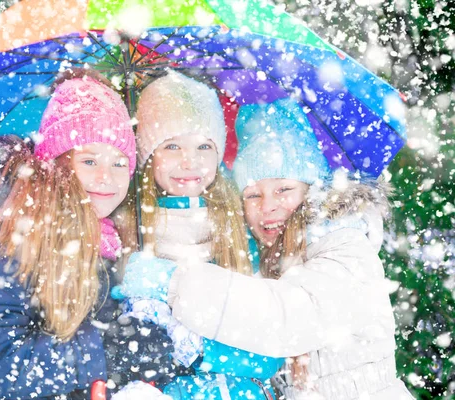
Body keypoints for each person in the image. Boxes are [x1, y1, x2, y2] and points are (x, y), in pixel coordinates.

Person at [116, 97, 414, 399]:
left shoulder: (344, 245)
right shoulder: (274, 257)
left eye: (283, 189)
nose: (268, 206)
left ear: (311, 190)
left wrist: (173, 281)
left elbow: (286, 319)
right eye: (253, 195)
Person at [0, 73, 174, 399]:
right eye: (88, 160)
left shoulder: (107, 240)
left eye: (119, 163)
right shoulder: (13, 234)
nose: (106, 177)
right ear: (55, 164)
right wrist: (106, 350)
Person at [115, 71, 283, 399]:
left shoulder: (242, 228)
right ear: (149, 155)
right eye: (172, 145)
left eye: (203, 145)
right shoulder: (127, 233)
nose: (190, 160)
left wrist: (197, 349)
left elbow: (269, 353)